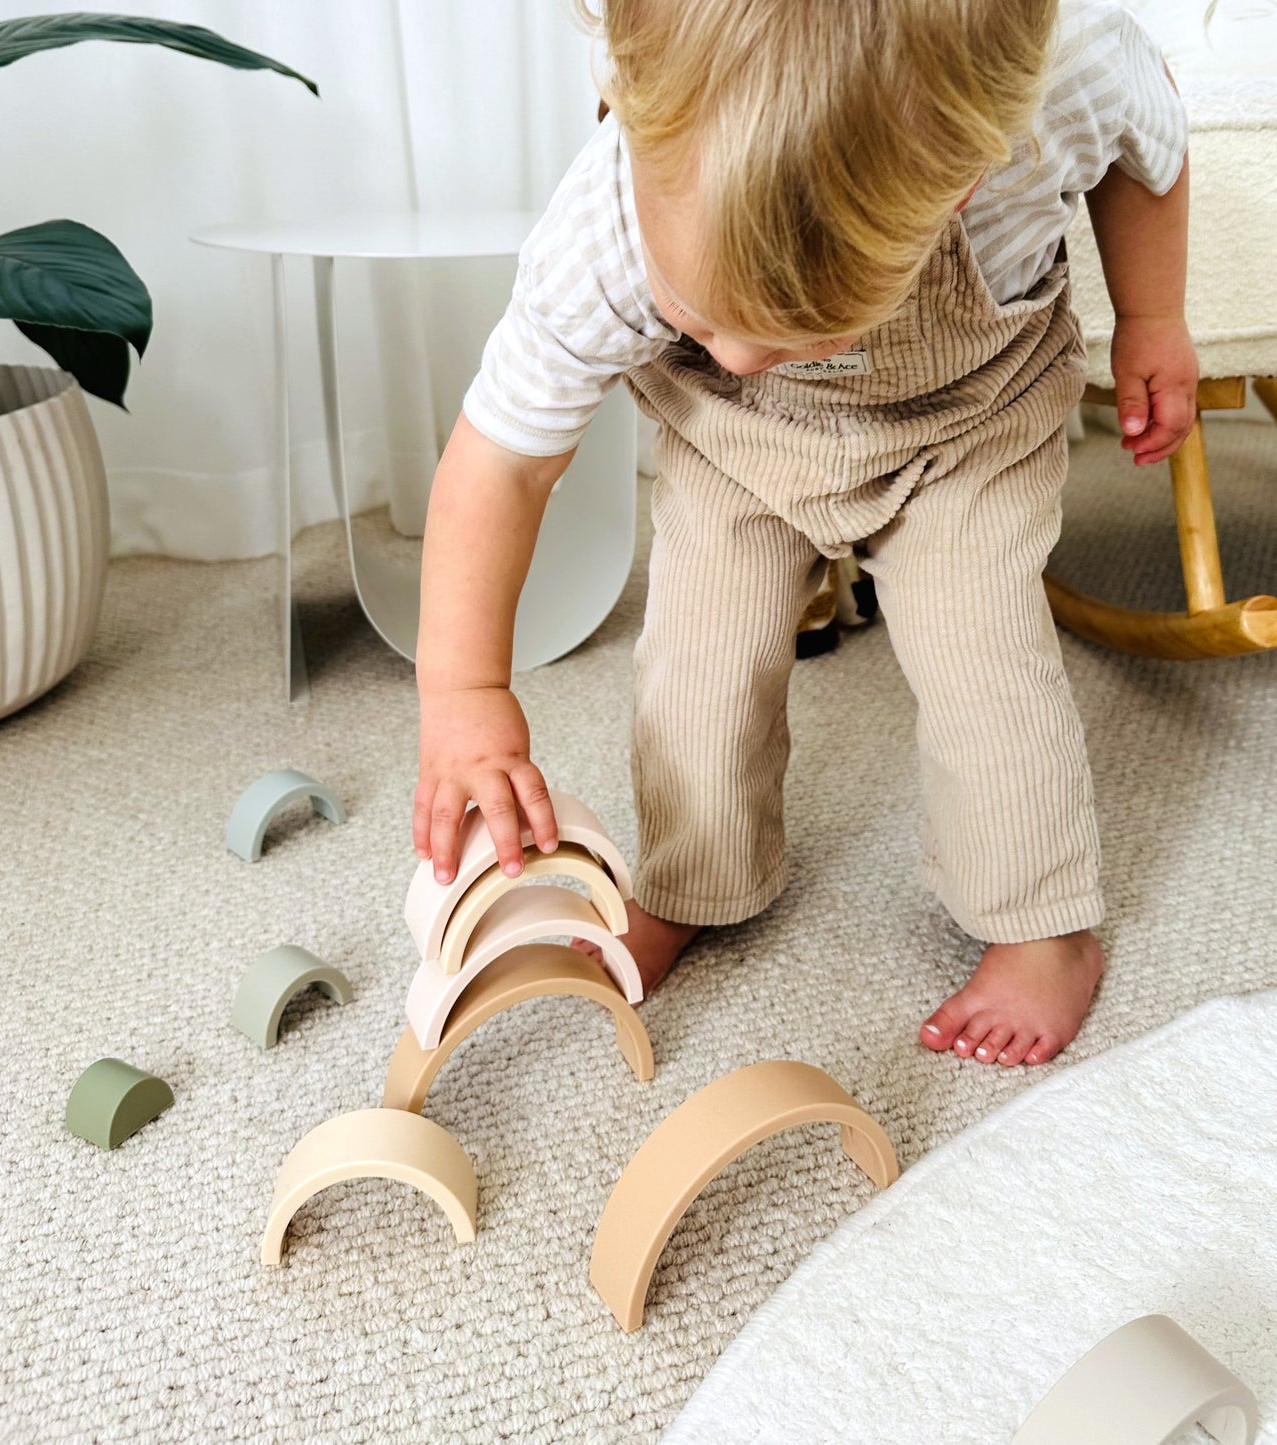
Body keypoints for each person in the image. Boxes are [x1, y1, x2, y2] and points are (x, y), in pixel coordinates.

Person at [413, 0, 1197, 1067]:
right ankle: (697, 876)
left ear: (960, 180)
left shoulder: (1067, 78)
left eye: (803, 330)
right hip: (730, 447)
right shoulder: (601, 226)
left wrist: (1152, 318)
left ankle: (1040, 927)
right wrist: (463, 692)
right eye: (694, 315)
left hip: (965, 427)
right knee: (695, 669)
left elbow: (1149, 155)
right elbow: (501, 460)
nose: (735, 350)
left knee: (984, 674)